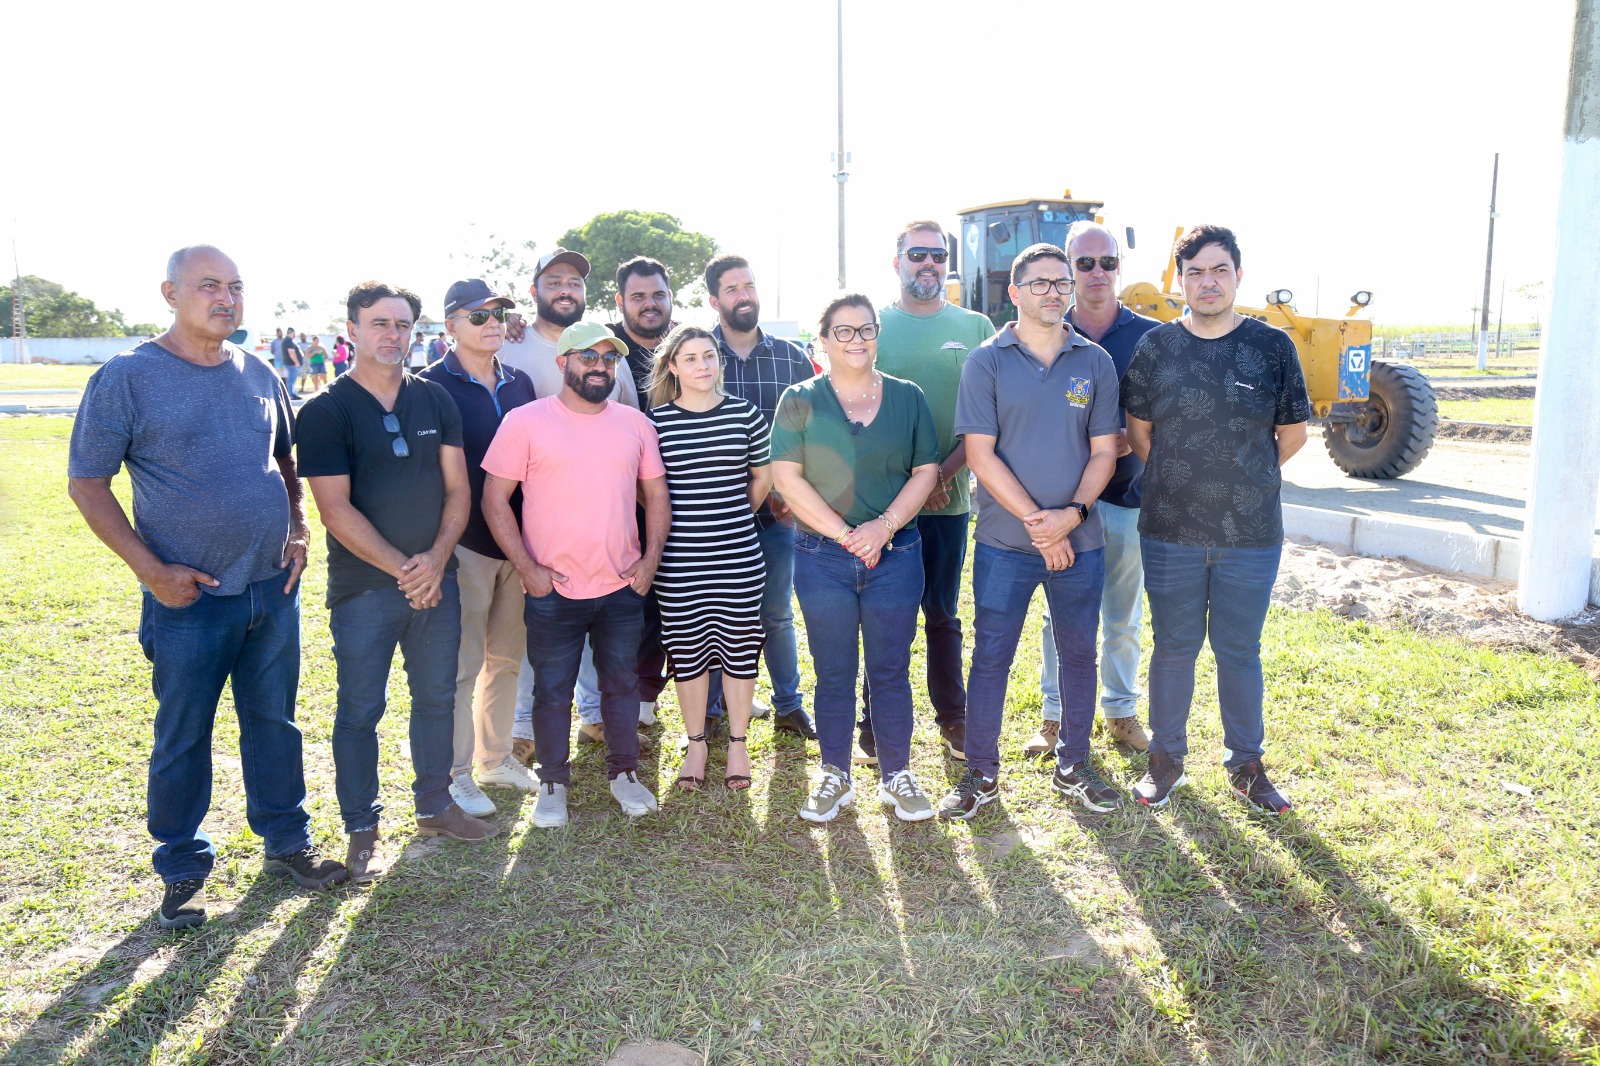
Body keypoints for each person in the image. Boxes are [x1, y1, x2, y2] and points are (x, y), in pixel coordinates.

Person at [67, 245, 346, 930]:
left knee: (275, 724)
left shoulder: (258, 372)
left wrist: (299, 530)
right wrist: (151, 572)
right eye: (209, 286)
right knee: (184, 733)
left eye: (236, 287)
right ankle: (182, 867)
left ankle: (286, 843)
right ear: (170, 292)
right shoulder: (128, 378)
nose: (226, 298)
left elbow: (284, 457)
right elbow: (87, 483)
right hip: (187, 602)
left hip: (270, 590)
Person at [297, 280, 497, 884]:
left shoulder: (435, 401)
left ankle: (435, 805)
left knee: (437, 697)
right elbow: (335, 510)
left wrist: (435, 560)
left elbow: (459, 490)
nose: (393, 335)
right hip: (364, 591)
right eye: (380, 323)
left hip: (438, 583)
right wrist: (405, 570)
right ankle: (362, 824)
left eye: (403, 325)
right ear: (352, 330)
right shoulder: (325, 410)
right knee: (360, 709)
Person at [1122, 224, 1310, 813]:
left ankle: (1247, 766)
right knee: (1173, 648)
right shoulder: (1156, 348)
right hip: (1170, 529)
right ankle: (1165, 760)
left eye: (1219, 270)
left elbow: (1293, 432)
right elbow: (1139, 431)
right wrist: (1186, 478)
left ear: (1238, 275)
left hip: (1251, 534)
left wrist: (1241, 480)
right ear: (1180, 280)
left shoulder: (1273, 346)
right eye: (1196, 271)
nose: (1208, 281)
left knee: (1240, 651)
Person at [938, 243, 1123, 821]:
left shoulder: (1094, 361)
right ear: (1014, 293)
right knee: (991, 656)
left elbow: (1104, 452)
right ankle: (981, 775)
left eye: (1061, 282)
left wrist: (1072, 515)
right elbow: (980, 454)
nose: (1054, 291)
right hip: (1005, 544)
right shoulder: (986, 361)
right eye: (1040, 283)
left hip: (1081, 543)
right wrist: (1041, 527)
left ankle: (1074, 767)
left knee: (1077, 654)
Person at [481, 320, 669, 827]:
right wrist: (528, 569)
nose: (600, 367)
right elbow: (494, 500)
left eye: (609, 359)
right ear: (563, 362)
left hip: (621, 584)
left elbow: (656, 497)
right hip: (552, 588)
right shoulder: (525, 421)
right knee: (552, 690)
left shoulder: (636, 425)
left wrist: (649, 562)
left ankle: (624, 773)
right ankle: (553, 782)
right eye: (589, 357)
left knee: (621, 684)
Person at [771, 294, 941, 824]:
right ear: (823, 340)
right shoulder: (799, 398)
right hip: (822, 556)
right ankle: (834, 775)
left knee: (890, 670)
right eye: (843, 331)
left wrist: (883, 527)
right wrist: (847, 534)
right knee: (834, 670)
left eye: (866, 329)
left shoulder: (908, 398)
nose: (856, 340)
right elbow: (786, 478)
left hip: (896, 554)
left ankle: (896, 776)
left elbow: (925, 471)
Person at [855, 220, 995, 768]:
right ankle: (873, 721)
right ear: (897, 262)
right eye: (917, 254)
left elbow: (988, 414)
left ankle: (952, 719)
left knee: (941, 612)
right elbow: (854, 404)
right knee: (884, 613)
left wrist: (941, 476)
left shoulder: (975, 324)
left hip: (949, 500)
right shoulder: (873, 326)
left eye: (939, 255)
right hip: (881, 505)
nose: (929, 264)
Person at [500, 248, 645, 761]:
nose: (566, 289)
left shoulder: (601, 346)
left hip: (590, 507)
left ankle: (593, 716)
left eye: (575, 283)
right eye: (554, 280)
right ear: (535, 289)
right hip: (521, 505)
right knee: (532, 627)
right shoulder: (511, 344)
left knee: (592, 607)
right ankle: (521, 728)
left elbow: (624, 418)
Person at [1029, 222, 1162, 758]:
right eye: (1084, 264)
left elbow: (1168, 413)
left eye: (1106, 262)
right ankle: (1055, 716)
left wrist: (1131, 439)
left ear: (1119, 269)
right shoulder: (1046, 334)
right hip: (1064, 505)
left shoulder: (1152, 336)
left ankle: (1121, 710)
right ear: (1067, 270)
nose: (1097, 273)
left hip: (1127, 499)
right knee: (1057, 615)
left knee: (1123, 614)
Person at [419, 279, 540, 818]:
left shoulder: (521, 383)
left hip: (517, 544)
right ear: (450, 326)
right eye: (478, 316)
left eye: (499, 314)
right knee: (462, 666)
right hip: (462, 545)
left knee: (507, 659)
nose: (492, 323)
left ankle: (495, 758)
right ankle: (455, 775)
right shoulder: (426, 387)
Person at [645, 324, 772, 791]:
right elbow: (648, 494)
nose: (703, 365)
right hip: (678, 563)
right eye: (691, 357)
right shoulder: (655, 423)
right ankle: (696, 742)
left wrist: (730, 516)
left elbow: (761, 479)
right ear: (673, 366)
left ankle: (737, 742)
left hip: (739, 556)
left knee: (739, 650)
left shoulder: (746, 415)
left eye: (709, 356)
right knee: (688, 653)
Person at [704, 254, 817, 741]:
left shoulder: (791, 356)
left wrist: (799, 491)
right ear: (714, 300)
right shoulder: (696, 353)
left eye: (748, 285)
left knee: (774, 611)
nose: (743, 294)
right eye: (731, 288)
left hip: (778, 511)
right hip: (713, 512)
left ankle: (788, 703)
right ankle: (710, 708)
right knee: (712, 611)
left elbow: (814, 430)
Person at [608, 257, 677, 725]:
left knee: (679, 600)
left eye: (658, 294)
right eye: (638, 296)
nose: (649, 304)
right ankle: (622, 699)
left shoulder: (687, 345)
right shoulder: (605, 346)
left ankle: (655, 697)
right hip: (618, 500)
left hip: (684, 497)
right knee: (630, 604)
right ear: (620, 301)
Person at [282, 327, 303, 399]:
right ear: (292, 332)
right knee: (291, 379)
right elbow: (291, 352)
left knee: (292, 379)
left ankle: (293, 393)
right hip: (291, 364)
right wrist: (296, 362)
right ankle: (291, 394)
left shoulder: (286, 340)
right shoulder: (288, 341)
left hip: (290, 363)